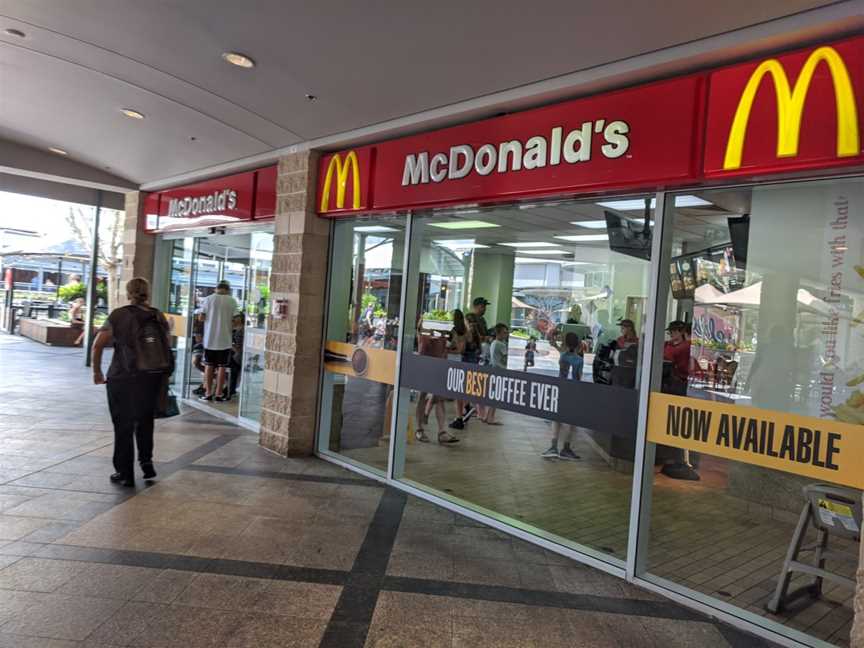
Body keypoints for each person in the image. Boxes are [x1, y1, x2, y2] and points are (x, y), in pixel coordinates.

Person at [92, 277, 171, 487]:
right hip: (152, 376)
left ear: (128, 293)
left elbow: (98, 345)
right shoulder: (158, 315)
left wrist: (97, 372)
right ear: (147, 293)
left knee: (123, 424)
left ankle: (124, 472)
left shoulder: (118, 315)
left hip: (123, 376)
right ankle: (147, 464)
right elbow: (165, 345)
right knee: (145, 421)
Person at [661, 320, 699, 480]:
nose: (671, 335)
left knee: (678, 422)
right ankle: (677, 457)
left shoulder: (684, 347)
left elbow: (668, 356)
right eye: (670, 332)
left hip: (680, 386)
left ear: (680, 332)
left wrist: (667, 346)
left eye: (673, 332)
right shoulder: (675, 345)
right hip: (675, 385)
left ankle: (682, 460)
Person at [542, 332, 583, 461]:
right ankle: (566, 448)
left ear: (565, 344)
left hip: (561, 389)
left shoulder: (563, 357)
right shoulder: (580, 360)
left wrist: (555, 344)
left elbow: (564, 352)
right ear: (578, 345)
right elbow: (579, 377)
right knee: (572, 421)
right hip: (574, 391)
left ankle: (553, 447)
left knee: (557, 418)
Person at [198, 280, 239, 402]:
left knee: (209, 366)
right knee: (222, 367)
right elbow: (237, 321)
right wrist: (228, 325)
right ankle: (219, 394)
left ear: (216, 289)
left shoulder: (208, 299)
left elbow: (201, 317)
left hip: (210, 339)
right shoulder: (232, 301)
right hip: (225, 340)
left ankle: (208, 393)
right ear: (227, 289)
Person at [482, 323, 509, 425]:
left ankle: (487, 416)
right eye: (504, 332)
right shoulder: (501, 344)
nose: (506, 334)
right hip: (500, 371)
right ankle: (491, 417)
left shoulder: (493, 343)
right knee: (496, 396)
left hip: (493, 370)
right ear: (498, 333)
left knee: (492, 395)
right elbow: (506, 358)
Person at [227, 312, 245, 399]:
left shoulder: (239, 331)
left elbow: (238, 349)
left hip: (238, 357)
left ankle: (229, 388)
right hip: (240, 357)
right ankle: (229, 388)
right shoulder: (241, 329)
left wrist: (229, 345)